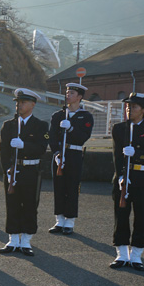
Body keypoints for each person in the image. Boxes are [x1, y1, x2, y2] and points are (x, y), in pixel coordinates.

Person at [110, 93, 144, 270]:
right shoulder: (119, 129)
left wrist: (138, 154)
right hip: (124, 177)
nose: (129, 109)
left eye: (133, 107)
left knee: (141, 216)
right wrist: (120, 176)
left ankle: (137, 255)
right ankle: (121, 254)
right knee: (121, 215)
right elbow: (117, 156)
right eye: (127, 106)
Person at [0, 88, 49, 256]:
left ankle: (26, 241)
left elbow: (41, 148)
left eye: (23, 102)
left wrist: (24, 146)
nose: (19, 105)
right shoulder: (9, 125)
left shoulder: (41, 125)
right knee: (12, 204)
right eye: (18, 102)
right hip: (14, 169)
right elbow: (3, 151)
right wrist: (7, 169)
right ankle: (13, 239)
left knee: (29, 205)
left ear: (33, 104)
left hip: (31, 170)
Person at [48, 82, 93, 234]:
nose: (68, 95)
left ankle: (70, 221)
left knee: (72, 187)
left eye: (72, 93)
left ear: (79, 97)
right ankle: (59, 220)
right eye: (67, 92)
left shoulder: (85, 116)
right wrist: (56, 153)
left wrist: (71, 128)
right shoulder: (58, 115)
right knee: (59, 186)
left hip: (74, 154)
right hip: (60, 154)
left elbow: (83, 137)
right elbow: (52, 136)